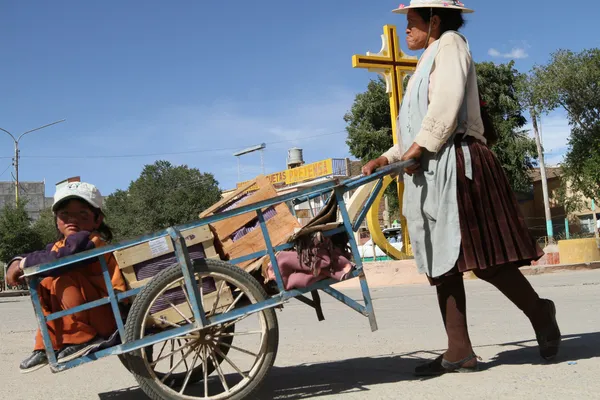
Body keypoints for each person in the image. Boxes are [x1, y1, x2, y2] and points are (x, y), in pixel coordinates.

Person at [362, 0, 561, 375]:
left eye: (412, 22)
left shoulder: (451, 44)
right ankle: (459, 350)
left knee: (485, 261)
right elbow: (413, 128)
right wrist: (387, 159)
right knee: (443, 263)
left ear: (434, 21)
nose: (407, 30)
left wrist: (419, 148)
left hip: (459, 163)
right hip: (431, 169)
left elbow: (446, 107)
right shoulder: (423, 64)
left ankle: (540, 312)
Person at [6, 181, 127, 373]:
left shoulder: (89, 240)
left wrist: (21, 264)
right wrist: (19, 260)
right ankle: (47, 344)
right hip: (94, 313)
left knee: (60, 276)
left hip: (110, 316)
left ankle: (83, 336)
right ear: (56, 219)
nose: (73, 219)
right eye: (65, 214)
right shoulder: (61, 245)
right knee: (44, 282)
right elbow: (45, 255)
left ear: (97, 220)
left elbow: (60, 259)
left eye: (82, 214)